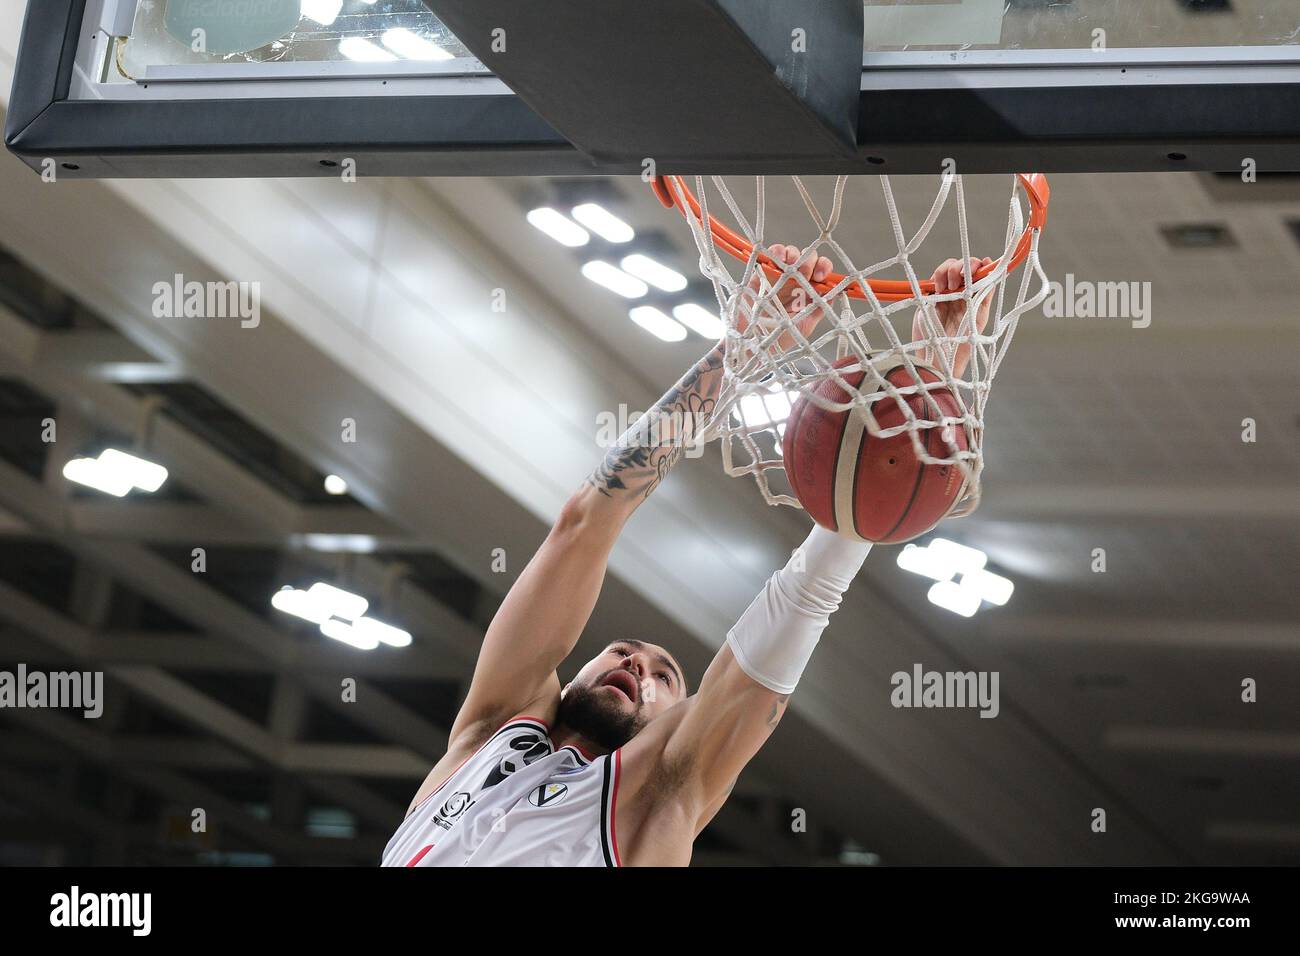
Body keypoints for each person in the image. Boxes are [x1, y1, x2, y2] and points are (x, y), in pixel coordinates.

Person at [381, 250, 991, 866]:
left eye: (664, 677)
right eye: (622, 653)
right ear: (578, 671)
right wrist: (740, 352)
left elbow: (801, 603)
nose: (636, 665)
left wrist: (915, 411)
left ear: (674, 723)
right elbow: (585, 522)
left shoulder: (657, 804)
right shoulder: (487, 736)